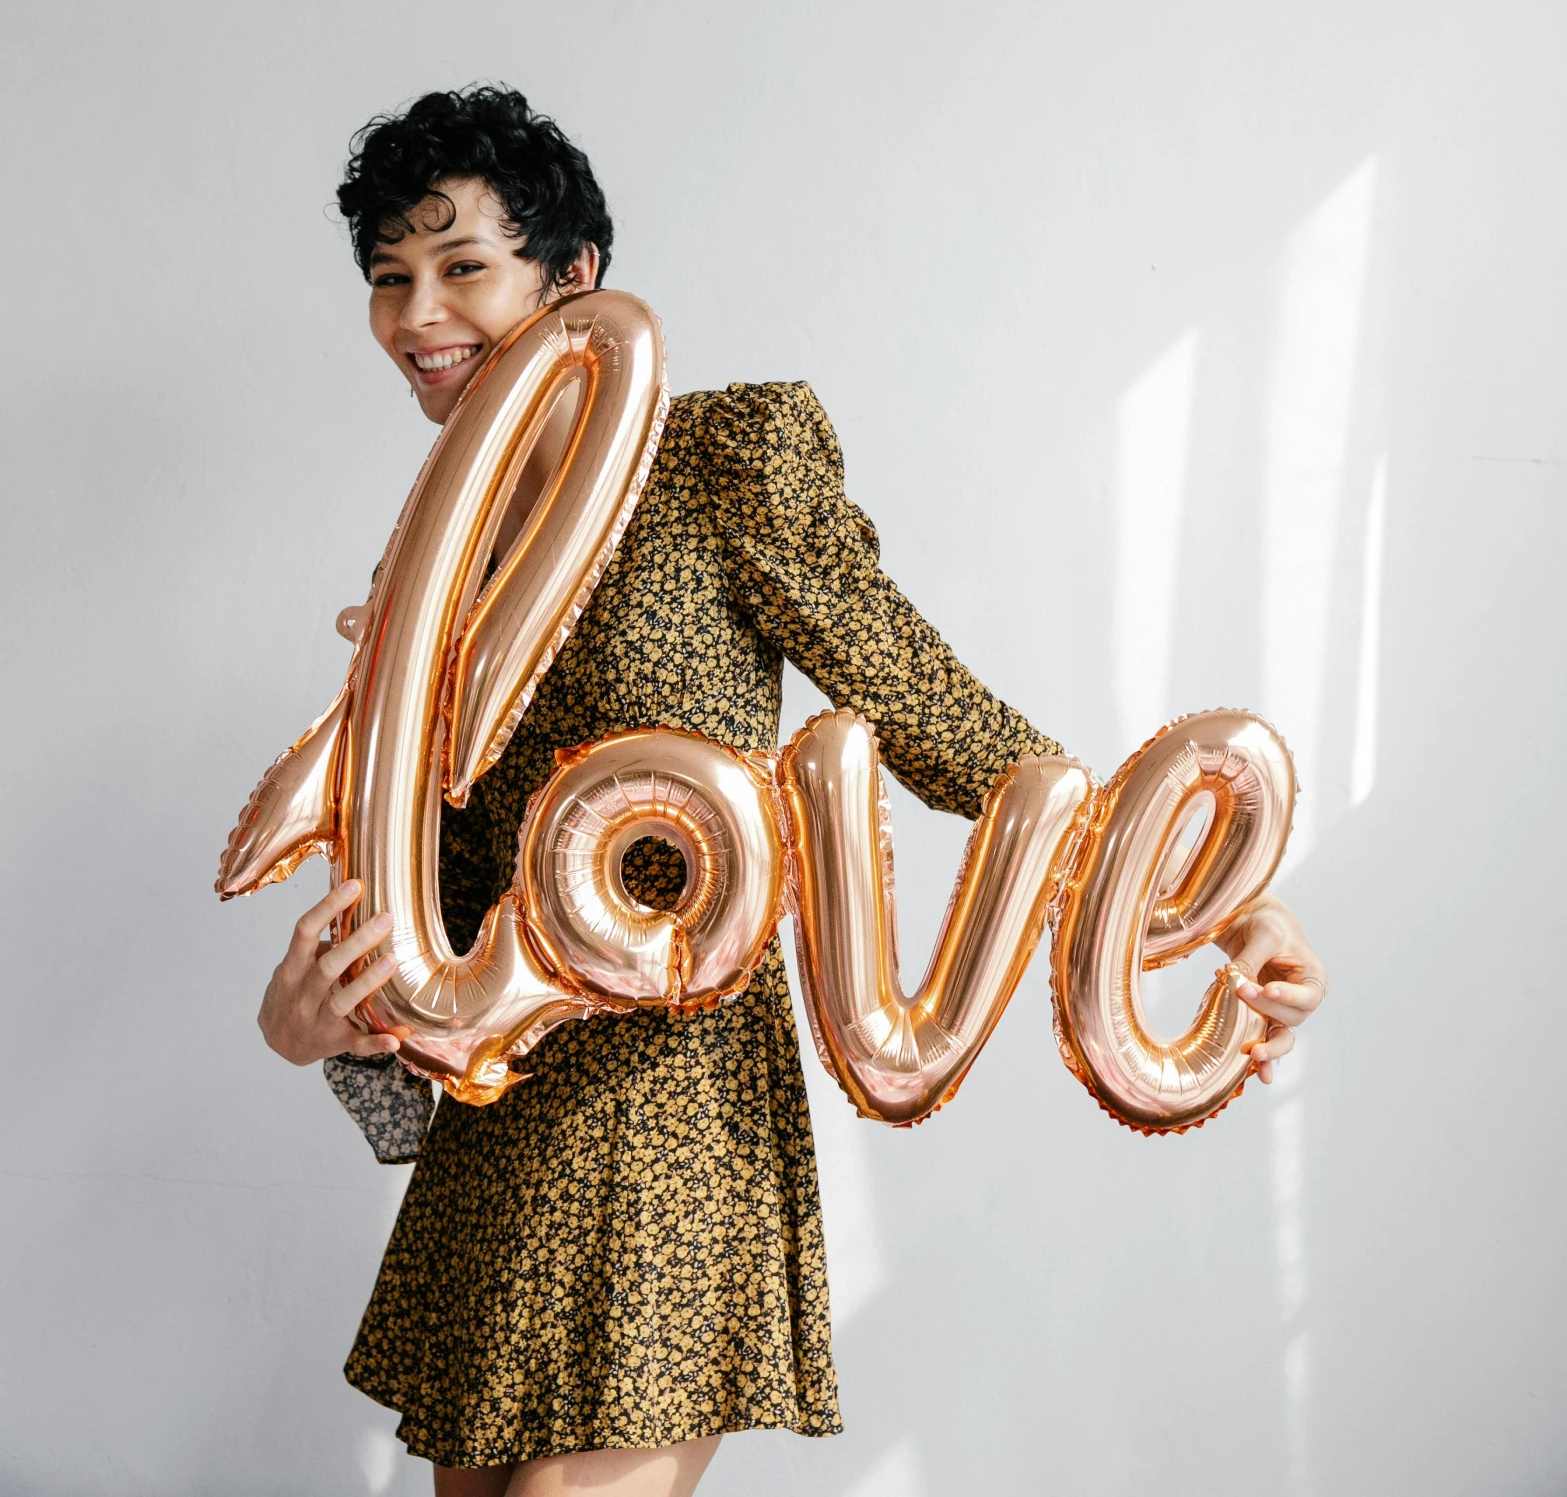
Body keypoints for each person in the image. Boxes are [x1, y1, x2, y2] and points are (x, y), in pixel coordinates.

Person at [257, 85, 1329, 1497]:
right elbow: (440, 915)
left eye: (462, 265)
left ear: (573, 280)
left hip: (674, 1115)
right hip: (503, 1140)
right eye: (389, 278)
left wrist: (1204, 897)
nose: (415, 314)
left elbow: (930, 709)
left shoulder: (717, 460)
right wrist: (311, 1021)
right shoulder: (432, 570)